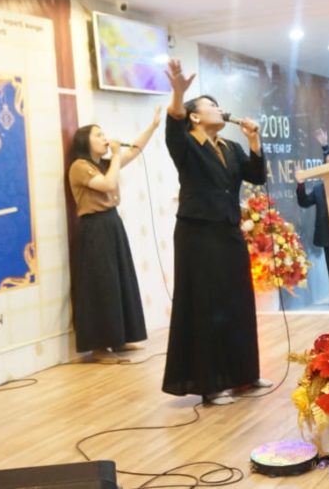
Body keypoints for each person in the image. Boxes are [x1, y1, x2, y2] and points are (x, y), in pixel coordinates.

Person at [161, 59, 271, 406]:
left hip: (228, 231)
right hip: (197, 234)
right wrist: (178, 93)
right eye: (211, 105)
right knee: (207, 305)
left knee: (238, 302)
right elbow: (173, 124)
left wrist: (254, 140)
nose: (219, 108)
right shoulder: (186, 143)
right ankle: (212, 384)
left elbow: (257, 176)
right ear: (194, 117)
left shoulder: (230, 147)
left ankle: (244, 375)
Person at [67, 107, 162, 358]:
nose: (105, 138)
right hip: (94, 227)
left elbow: (135, 150)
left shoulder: (104, 165)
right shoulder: (79, 166)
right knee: (101, 283)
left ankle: (120, 339)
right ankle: (99, 347)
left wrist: (152, 127)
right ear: (85, 141)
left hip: (112, 223)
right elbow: (107, 184)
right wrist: (117, 154)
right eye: (98, 135)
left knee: (120, 279)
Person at [295, 129, 329, 309]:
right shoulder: (318, 189)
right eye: (327, 164)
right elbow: (304, 202)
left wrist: (325, 145)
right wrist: (300, 184)